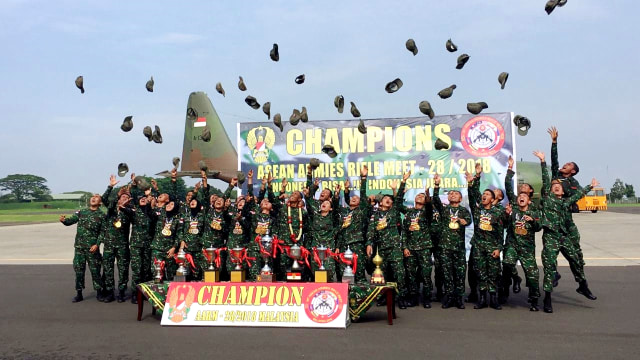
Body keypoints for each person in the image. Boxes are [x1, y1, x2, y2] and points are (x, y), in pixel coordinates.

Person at [534, 150, 597, 313]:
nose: (556, 186)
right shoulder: (547, 198)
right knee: (549, 268)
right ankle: (547, 298)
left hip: (564, 236)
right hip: (551, 237)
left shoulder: (565, 202)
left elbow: (578, 195)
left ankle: (583, 285)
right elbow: (545, 178)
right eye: (553, 186)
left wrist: (591, 186)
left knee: (576, 261)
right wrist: (542, 161)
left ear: (562, 192)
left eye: (558, 187)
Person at [548, 126, 588, 289]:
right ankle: (554, 273)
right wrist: (554, 142)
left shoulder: (573, 183)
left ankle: (579, 267)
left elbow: (579, 194)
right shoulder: (557, 176)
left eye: (569, 165)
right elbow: (554, 160)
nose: (565, 165)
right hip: (554, 217)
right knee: (551, 248)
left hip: (566, 218)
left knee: (574, 245)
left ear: (573, 171)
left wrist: (568, 201)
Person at [366, 172, 411, 309]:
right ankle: (383, 297)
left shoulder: (393, 212)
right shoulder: (375, 215)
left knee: (400, 274)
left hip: (394, 248)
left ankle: (402, 298)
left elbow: (398, 200)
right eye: (385, 198)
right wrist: (369, 244)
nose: (388, 200)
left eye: (390, 199)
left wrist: (401, 183)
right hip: (381, 249)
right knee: (382, 275)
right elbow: (371, 230)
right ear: (381, 202)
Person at [503, 156, 542, 311]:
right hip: (512, 244)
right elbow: (507, 186)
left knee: (533, 275)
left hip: (526, 248)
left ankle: (533, 300)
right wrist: (510, 169)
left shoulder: (534, 211)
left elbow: (539, 227)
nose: (521, 197)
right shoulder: (513, 207)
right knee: (507, 265)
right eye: (519, 196)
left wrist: (532, 220)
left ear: (529, 199)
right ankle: (510, 285)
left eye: (524, 196)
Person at [467, 164, 504, 310]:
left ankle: (493, 299)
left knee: (493, 273)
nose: (484, 196)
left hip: (492, 247)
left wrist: (498, 248)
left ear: (493, 199)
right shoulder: (477, 210)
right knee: (480, 272)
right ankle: (482, 299)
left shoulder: (497, 213)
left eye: (488, 195)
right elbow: (473, 193)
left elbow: (501, 233)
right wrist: (476, 177)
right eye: (484, 194)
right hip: (478, 246)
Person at [432, 174, 471, 309]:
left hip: (458, 247)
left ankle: (459, 298)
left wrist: (462, 221)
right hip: (444, 247)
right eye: (451, 194)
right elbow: (435, 200)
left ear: (460, 198)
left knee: (460, 273)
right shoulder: (444, 210)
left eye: (456, 194)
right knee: (447, 273)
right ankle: (449, 297)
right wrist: (436, 185)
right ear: (448, 198)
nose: (453, 195)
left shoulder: (463, 210)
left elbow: (469, 221)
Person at [60, 193, 106, 303]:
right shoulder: (81, 212)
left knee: (95, 271)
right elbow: (71, 221)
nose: (93, 198)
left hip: (92, 248)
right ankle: (79, 293)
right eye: (92, 197)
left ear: (100, 202)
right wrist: (64, 221)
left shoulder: (102, 215)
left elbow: (103, 231)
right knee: (79, 271)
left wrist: (97, 244)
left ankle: (99, 292)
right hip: (79, 247)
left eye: (97, 197)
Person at [399, 181, 434, 308]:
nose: (419, 197)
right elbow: (404, 231)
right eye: (418, 195)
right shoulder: (408, 212)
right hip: (411, 248)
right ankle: (413, 297)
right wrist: (405, 247)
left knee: (425, 274)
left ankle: (426, 298)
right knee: (411, 274)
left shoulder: (427, 212)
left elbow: (430, 206)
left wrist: (427, 193)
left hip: (424, 247)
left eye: (422, 196)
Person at [336, 165, 371, 284]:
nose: (354, 198)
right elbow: (340, 230)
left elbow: (362, 192)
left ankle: (361, 298)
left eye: (357, 198)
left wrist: (363, 178)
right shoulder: (344, 212)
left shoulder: (361, 211)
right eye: (352, 197)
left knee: (359, 272)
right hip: (343, 245)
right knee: (344, 273)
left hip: (357, 244)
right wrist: (337, 246)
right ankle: (344, 298)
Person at [101, 176, 132, 303]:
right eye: (122, 197)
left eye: (127, 197)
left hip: (123, 245)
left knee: (123, 269)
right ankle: (109, 292)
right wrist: (111, 187)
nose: (124, 199)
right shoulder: (111, 210)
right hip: (109, 244)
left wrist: (132, 189)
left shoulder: (129, 212)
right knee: (108, 268)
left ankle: (122, 291)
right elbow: (104, 199)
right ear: (118, 199)